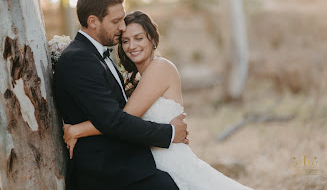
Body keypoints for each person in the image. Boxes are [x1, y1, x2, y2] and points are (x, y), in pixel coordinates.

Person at [63, 10, 254, 189]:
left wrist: (78, 130)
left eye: (139, 38)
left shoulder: (160, 68)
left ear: (152, 39)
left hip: (171, 160)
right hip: (151, 163)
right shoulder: (136, 80)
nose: (132, 46)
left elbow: (124, 117)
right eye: (126, 41)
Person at [54, 0, 188, 190]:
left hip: (128, 166)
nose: (123, 27)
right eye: (116, 21)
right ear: (93, 22)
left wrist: (78, 130)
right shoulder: (79, 59)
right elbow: (113, 120)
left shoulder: (96, 56)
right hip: (109, 173)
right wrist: (169, 133)